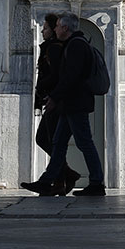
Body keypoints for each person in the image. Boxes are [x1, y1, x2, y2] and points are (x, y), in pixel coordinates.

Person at [22, 12, 105, 196]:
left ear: (65, 28)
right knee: (58, 143)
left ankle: (97, 183)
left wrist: (54, 97)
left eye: (58, 26)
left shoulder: (76, 45)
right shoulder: (74, 44)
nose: (56, 29)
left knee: (84, 143)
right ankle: (46, 181)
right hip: (70, 104)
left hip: (76, 104)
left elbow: (70, 77)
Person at [33, 13, 80, 195]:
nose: (42, 31)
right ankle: (64, 176)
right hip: (52, 99)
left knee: (48, 140)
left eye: (45, 28)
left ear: (54, 30)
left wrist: (42, 87)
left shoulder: (53, 48)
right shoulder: (49, 47)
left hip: (54, 101)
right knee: (49, 140)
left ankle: (63, 178)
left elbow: (55, 75)